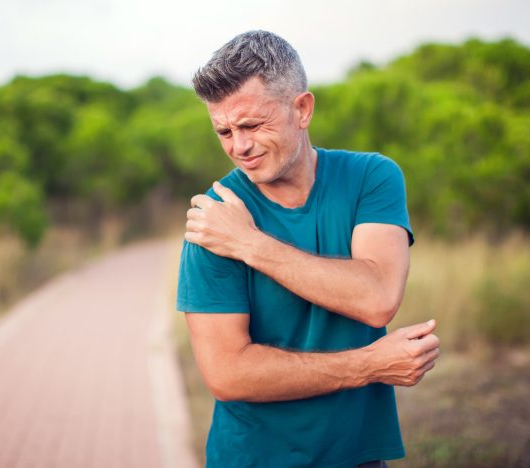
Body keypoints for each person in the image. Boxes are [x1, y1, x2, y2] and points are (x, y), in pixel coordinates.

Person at [176, 30, 440, 468]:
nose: (238, 147)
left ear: (302, 109)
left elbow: (377, 299)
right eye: (223, 130)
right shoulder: (215, 219)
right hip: (252, 460)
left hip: (358, 456)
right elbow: (228, 374)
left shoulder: (371, 177)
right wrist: (370, 365)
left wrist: (250, 244)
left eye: (252, 125)